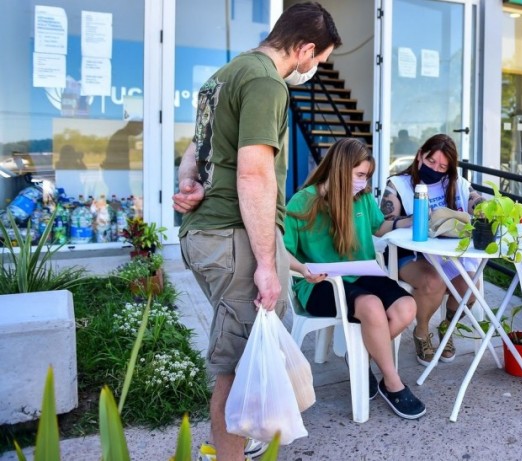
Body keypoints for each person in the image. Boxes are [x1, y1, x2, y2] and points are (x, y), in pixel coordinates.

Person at [172, 3, 341, 460]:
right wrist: (268, 264)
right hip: (233, 238)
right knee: (236, 366)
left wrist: (187, 181)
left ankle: (238, 447)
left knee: (242, 356)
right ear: (304, 49)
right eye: (319, 60)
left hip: (207, 232)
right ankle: (230, 454)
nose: (315, 69)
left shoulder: (223, 75)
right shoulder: (267, 82)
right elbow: (254, 175)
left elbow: (195, 147)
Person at [283, 138, 426, 420]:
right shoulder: (303, 201)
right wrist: (302, 269)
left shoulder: (361, 199)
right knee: (371, 306)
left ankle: (360, 355)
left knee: (407, 307)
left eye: (366, 177)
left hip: (362, 273)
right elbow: (282, 251)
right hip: (320, 283)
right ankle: (392, 382)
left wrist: (410, 220)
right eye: (360, 175)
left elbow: (379, 226)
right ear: (339, 169)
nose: (363, 183)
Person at [380, 133, 485, 366]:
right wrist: (411, 220)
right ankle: (422, 332)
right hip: (408, 253)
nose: (435, 169)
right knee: (432, 281)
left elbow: (478, 204)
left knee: (469, 286)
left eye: (442, 166)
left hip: (447, 252)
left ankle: (447, 329)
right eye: (431, 161)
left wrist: (485, 210)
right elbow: (380, 227)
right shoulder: (398, 185)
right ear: (420, 155)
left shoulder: (456, 185)